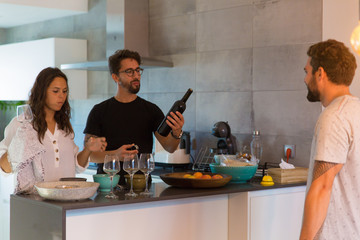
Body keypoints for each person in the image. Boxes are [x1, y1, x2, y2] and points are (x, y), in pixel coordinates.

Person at [84, 49, 184, 185]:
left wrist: (176, 133)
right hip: (109, 188)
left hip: (141, 187)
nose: (136, 76)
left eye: (138, 70)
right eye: (129, 72)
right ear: (115, 77)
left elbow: (170, 147)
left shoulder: (151, 110)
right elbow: (90, 155)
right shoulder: (99, 111)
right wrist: (116, 155)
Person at [0, 67, 107, 193]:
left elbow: (76, 165)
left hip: (66, 199)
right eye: (55, 91)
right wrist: (19, 145)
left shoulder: (65, 126)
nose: (61, 96)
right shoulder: (22, 124)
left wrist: (88, 149)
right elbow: (4, 168)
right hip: (35, 203)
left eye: (64, 91)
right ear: (41, 92)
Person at [300, 39, 360, 239]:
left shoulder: (334, 117)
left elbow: (322, 188)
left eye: (307, 71)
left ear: (320, 73)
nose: (305, 78)